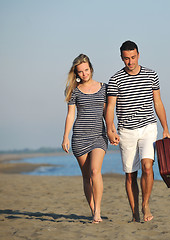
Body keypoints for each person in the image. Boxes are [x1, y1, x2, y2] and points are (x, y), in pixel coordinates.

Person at [105, 40, 170, 222]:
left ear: (138, 55)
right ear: (121, 58)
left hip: (148, 127)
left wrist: (165, 128)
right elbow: (110, 107)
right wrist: (110, 129)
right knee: (130, 175)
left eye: (133, 57)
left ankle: (145, 204)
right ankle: (135, 213)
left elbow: (157, 102)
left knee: (147, 167)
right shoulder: (115, 79)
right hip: (126, 131)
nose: (130, 62)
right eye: (126, 58)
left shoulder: (151, 75)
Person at [61, 54, 108, 223]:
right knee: (87, 176)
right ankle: (93, 209)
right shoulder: (73, 90)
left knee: (95, 171)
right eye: (80, 71)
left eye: (86, 70)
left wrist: (111, 130)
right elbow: (70, 115)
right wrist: (65, 136)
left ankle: (98, 212)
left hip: (99, 136)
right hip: (79, 137)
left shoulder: (104, 88)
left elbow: (106, 113)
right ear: (76, 73)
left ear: (91, 68)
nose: (84, 74)